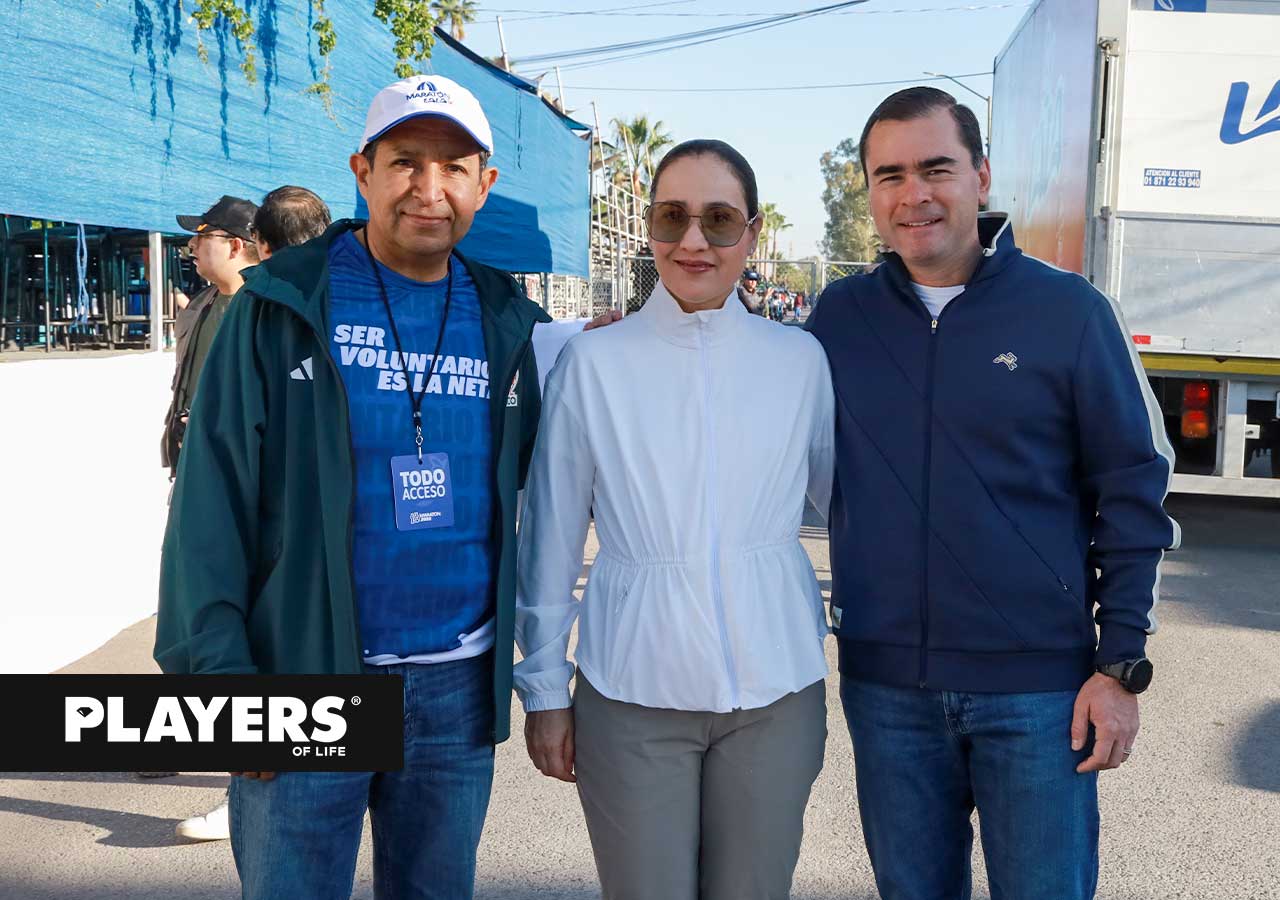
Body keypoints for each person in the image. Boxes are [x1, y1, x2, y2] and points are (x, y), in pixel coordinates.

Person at [154, 75, 549, 899]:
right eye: (405, 161)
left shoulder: (508, 319)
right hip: (301, 675)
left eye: (454, 167)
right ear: (362, 172)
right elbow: (209, 505)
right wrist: (220, 682)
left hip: (455, 687)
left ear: (484, 185)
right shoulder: (280, 307)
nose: (429, 188)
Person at [806, 86, 1179, 900]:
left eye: (936, 168)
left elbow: (1132, 492)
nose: (914, 194)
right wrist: (630, 344)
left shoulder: (1070, 313)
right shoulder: (838, 319)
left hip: (1040, 695)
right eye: (890, 175)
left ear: (980, 176)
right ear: (869, 193)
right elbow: (745, 410)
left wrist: (1120, 667)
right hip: (886, 691)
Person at [516, 139, 834, 900]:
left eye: (718, 219)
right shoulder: (594, 363)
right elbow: (552, 538)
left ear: (752, 232)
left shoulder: (799, 361)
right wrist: (545, 689)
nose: (693, 241)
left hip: (777, 694)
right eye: (672, 217)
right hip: (632, 692)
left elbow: (849, 510)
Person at [171, 184, 332, 845]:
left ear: (248, 245)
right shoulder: (210, 306)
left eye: (203, 237)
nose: (192, 248)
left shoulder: (272, 315)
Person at [160, 195, 258, 477]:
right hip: (193, 456)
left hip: (237, 467)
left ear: (235, 246)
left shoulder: (267, 312)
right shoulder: (200, 305)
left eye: (203, 235)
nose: (192, 244)